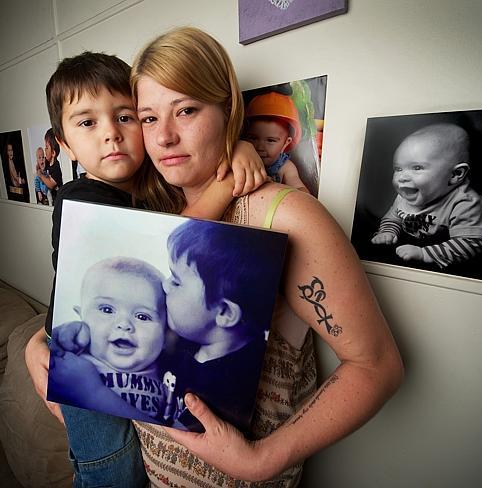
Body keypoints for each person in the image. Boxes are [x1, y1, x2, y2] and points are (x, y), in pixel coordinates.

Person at [126, 26, 403, 486]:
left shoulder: (284, 216)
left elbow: (376, 366)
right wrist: (42, 345)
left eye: (187, 110)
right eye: (149, 118)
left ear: (229, 110)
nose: (165, 138)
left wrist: (261, 459)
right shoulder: (159, 210)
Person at [24, 50, 266, 488]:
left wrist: (241, 144)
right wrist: (230, 180)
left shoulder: (152, 185)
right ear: (63, 143)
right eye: (87, 123)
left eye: (126, 117)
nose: (111, 136)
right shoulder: (80, 197)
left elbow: (203, 157)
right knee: (111, 471)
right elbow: (184, 229)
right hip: (83, 359)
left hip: (130, 358)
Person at [49, 218, 286, 434]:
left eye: (176, 280)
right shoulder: (192, 335)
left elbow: (172, 436)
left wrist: (92, 393)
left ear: (224, 312)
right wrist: (79, 329)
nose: (165, 284)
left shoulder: (231, 384)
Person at [371, 123, 482, 269]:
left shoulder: (465, 203)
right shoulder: (407, 195)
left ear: (455, 174)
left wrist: (424, 253)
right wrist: (387, 231)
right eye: (398, 169)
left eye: (417, 167)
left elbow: (469, 243)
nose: (402, 177)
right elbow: (393, 217)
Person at [49, 257, 168, 419]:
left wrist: (92, 392)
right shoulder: (72, 360)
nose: (124, 324)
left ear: (166, 333)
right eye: (106, 310)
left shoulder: (171, 373)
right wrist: (64, 337)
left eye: (142, 316)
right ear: (81, 317)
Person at [244, 91, 307, 189]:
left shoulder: (285, 167)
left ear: (286, 143)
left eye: (270, 140)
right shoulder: (244, 158)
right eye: (253, 138)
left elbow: (298, 186)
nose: (260, 147)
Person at [38, 128, 64, 204]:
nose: (44, 150)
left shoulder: (56, 167)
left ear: (53, 153)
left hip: (58, 199)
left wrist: (40, 175)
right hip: (50, 197)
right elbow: (40, 165)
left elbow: (51, 184)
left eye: (46, 147)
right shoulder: (47, 162)